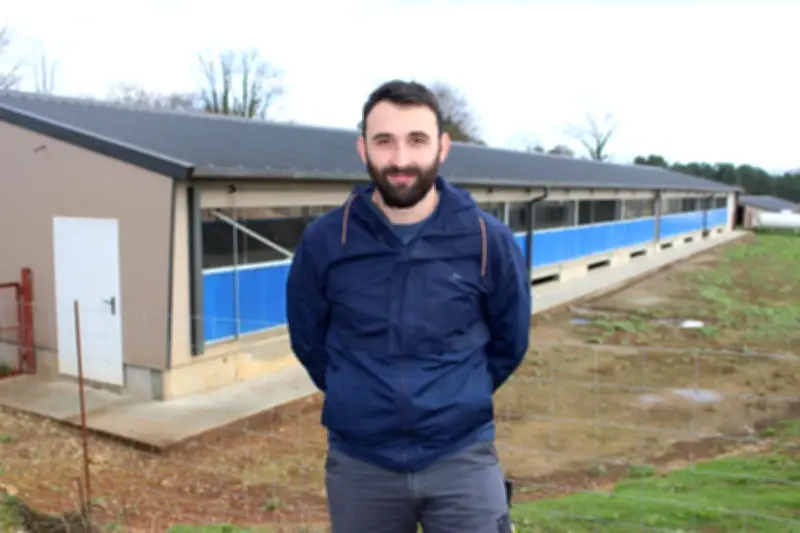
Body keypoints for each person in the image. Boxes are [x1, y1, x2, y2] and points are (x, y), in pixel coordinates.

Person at [286, 80, 531, 533]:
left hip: (462, 458)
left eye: (417, 140)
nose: (400, 160)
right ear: (363, 149)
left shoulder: (486, 239)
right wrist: (355, 391)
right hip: (361, 464)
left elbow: (510, 340)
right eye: (385, 142)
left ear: (443, 147)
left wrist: (457, 395)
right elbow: (309, 341)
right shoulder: (325, 241)